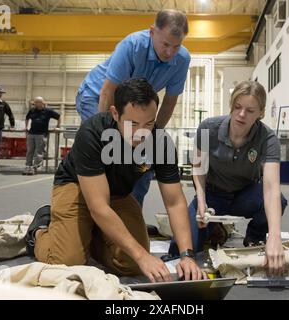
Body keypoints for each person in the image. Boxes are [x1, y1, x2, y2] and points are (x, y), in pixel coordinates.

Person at [25, 78, 205, 282]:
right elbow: (99, 206)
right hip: (76, 187)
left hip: (117, 193)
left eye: (149, 123)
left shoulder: (160, 141)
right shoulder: (92, 133)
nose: (141, 133)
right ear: (115, 113)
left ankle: (88, 235)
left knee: (130, 264)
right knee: (67, 262)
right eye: (132, 124)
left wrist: (187, 256)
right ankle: (39, 230)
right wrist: (142, 255)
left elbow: (174, 202)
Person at [169, 80, 288, 276]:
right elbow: (198, 169)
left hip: (245, 194)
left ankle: (254, 237)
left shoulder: (268, 139)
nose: (242, 114)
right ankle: (215, 228)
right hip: (213, 195)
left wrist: (274, 237)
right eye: (238, 107)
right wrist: (201, 200)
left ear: (261, 112)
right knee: (180, 251)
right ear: (231, 105)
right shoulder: (208, 128)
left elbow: (271, 188)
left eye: (250, 110)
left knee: (279, 201)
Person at [76, 9, 191, 206]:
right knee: (107, 152)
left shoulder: (182, 59)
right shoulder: (132, 45)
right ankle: (94, 209)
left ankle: (131, 213)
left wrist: (152, 134)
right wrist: (106, 136)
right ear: (152, 32)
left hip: (133, 107)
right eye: (165, 44)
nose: (170, 52)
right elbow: (107, 92)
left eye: (176, 46)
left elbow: (169, 102)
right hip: (97, 96)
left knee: (143, 158)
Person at [23, 97, 61, 175]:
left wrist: (58, 126)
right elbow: (27, 118)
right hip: (31, 134)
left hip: (41, 134)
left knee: (38, 151)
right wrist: (26, 127)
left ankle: (35, 167)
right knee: (30, 151)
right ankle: (28, 166)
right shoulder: (32, 110)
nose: (36, 104)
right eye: (35, 102)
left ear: (42, 103)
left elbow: (59, 117)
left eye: (37, 102)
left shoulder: (48, 111)